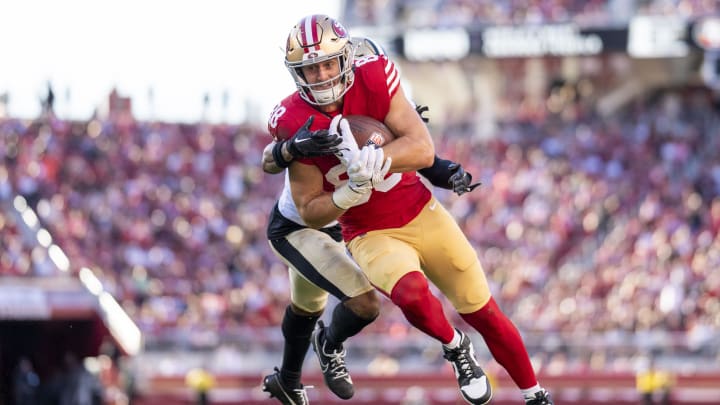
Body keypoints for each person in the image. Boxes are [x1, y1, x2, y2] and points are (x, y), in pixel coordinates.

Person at [269, 14, 554, 405]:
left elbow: (422, 151)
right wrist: (307, 163)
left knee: (483, 309)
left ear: (350, 59)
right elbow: (303, 200)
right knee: (385, 298)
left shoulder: (376, 81)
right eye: (310, 68)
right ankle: (454, 349)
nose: (320, 76)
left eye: (328, 64)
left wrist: (395, 159)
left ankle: (536, 395)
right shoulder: (294, 119)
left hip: (419, 211)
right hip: (355, 227)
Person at [260, 35, 481, 405]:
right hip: (303, 223)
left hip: (339, 224)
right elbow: (271, 160)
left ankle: (288, 379)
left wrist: (447, 172)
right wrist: (289, 148)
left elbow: (421, 158)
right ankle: (324, 351)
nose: (334, 81)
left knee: (307, 305)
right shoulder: (306, 111)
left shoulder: (381, 104)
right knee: (361, 303)